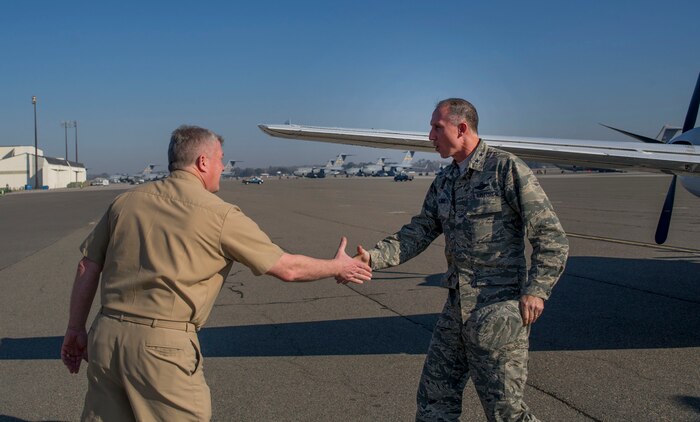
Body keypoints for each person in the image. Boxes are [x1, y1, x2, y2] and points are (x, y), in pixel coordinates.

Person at [61, 125, 372, 421]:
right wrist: (339, 265)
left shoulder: (125, 202)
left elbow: (87, 266)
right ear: (202, 161)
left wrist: (76, 329)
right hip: (162, 348)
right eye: (221, 160)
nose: (223, 167)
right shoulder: (219, 214)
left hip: (106, 338)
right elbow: (287, 269)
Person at [345, 99, 568, 421]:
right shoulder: (446, 180)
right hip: (456, 309)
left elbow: (551, 236)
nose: (430, 135)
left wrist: (537, 290)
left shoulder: (505, 168)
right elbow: (420, 230)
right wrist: (372, 258)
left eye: (437, 127)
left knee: (506, 411)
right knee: (434, 397)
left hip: (498, 308)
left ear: (461, 128)